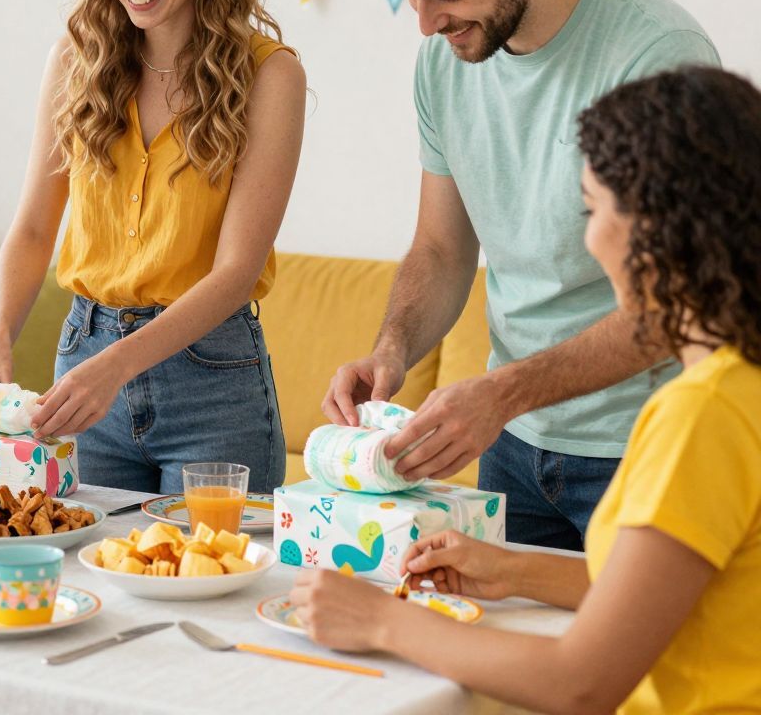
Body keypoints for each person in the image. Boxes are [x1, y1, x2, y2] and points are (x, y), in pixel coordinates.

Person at [292, 67, 761, 714]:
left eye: (592, 211)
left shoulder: (702, 413)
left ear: (657, 229)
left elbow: (580, 683)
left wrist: (380, 621)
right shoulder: (742, 382)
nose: (590, 240)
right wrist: (508, 570)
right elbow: (672, 590)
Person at [324, 0, 719, 547]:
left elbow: (674, 304)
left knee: (629, 660)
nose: (427, 24)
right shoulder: (445, 63)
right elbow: (442, 249)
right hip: (510, 446)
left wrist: (499, 395)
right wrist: (392, 350)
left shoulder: (656, 55)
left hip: (643, 442)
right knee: (494, 652)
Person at [0, 0, 306, 494]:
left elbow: (236, 273)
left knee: (210, 581)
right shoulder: (77, 59)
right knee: (84, 582)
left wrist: (115, 367)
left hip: (212, 384)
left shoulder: (270, 76)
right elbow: (33, 228)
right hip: (83, 362)